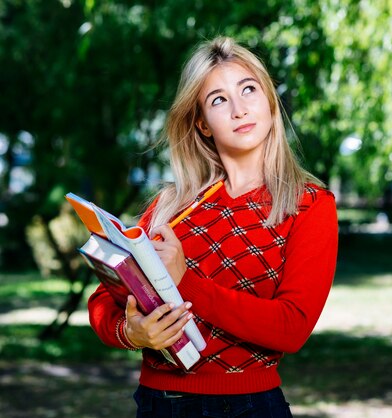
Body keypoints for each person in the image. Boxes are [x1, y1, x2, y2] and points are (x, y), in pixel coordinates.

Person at [87, 36, 338, 417]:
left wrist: (184, 281)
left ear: (270, 101)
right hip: (157, 405)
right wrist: (132, 333)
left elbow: (291, 327)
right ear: (202, 123)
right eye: (219, 100)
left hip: (250, 407)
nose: (239, 109)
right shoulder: (172, 205)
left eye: (249, 90)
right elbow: (105, 299)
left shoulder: (310, 205)